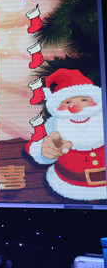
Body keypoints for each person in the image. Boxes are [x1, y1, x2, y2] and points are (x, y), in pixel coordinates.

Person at [26, 69, 105, 200]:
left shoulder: (102, 118)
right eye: (67, 102)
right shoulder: (54, 124)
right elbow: (35, 146)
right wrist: (44, 151)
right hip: (70, 185)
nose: (75, 106)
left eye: (84, 99)